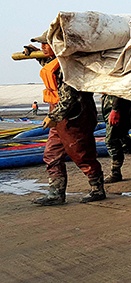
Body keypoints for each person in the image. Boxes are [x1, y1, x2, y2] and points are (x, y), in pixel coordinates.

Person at [27, 31, 105, 206]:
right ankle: (56, 194)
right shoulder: (55, 62)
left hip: (75, 115)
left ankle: (97, 189)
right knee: (51, 154)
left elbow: (69, 97)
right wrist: (34, 55)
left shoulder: (69, 67)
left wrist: (53, 116)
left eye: (46, 44)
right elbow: (50, 66)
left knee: (81, 154)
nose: (43, 48)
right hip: (58, 115)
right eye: (41, 45)